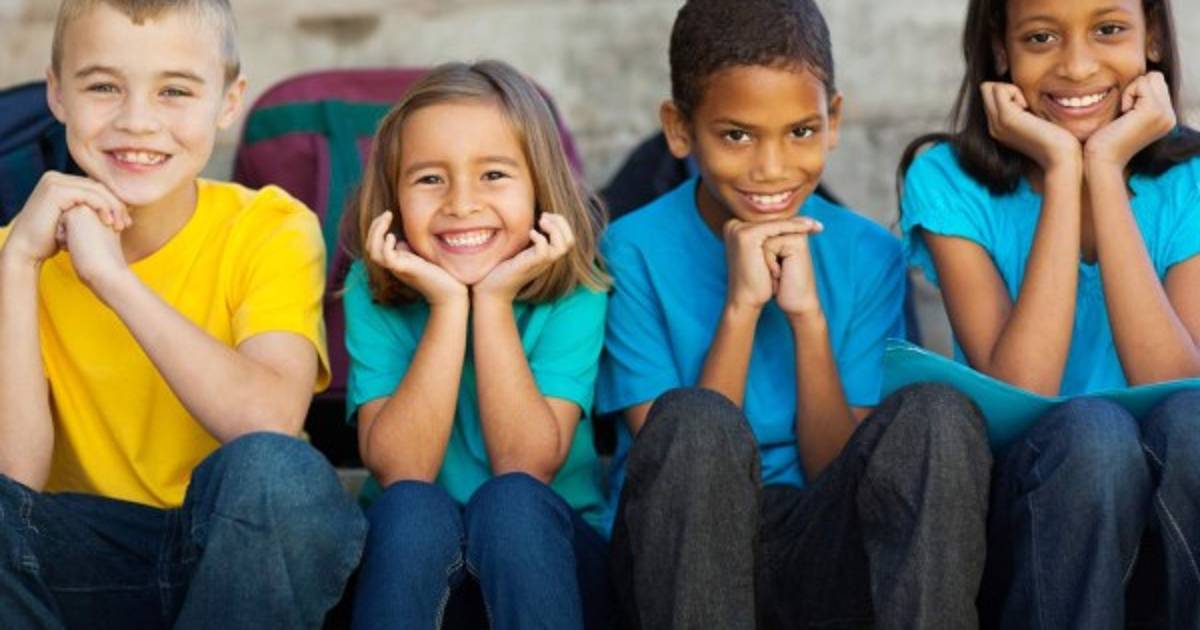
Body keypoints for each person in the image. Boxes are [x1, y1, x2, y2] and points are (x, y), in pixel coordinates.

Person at [596, 1, 993, 628]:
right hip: (678, 560)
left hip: (819, 540)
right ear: (680, 129)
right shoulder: (631, 249)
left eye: (801, 132)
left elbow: (836, 467)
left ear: (833, 120)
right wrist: (742, 307)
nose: (772, 167)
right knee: (694, 420)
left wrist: (808, 319)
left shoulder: (868, 253)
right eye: (737, 135)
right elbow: (676, 471)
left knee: (938, 412)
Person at [0, 0, 366, 628]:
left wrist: (113, 280)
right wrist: (17, 266)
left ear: (228, 101)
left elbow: (266, 422)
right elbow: (14, 485)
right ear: (58, 94)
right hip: (86, 562)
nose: (138, 121)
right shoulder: (15, 253)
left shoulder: (269, 227)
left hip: (250, 548)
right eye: (103, 86)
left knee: (280, 472)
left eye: (174, 90)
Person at [898, 0, 1200, 627]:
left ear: (1151, 38)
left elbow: (1175, 385)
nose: (1078, 65)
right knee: (1092, 435)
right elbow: (1025, 386)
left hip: (1171, 527)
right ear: (1001, 49)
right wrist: (1065, 170)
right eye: (1040, 38)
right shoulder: (947, 178)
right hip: (1034, 524)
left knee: (1194, 422)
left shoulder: (1192, 178)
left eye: (1108, 30)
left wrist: (1106, 169)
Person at [343, 60, 612, 630]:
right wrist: (447, 306)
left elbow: (525, 466)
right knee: (412, 508)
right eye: (429, 179)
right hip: (413, 573)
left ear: (539, 187)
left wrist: (492, 302)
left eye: (493, 174)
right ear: (393, 198)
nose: (461, 203)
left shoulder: (576, 288)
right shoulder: (372, 288)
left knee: (510, 503)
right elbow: (402, 470)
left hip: (548, 570)